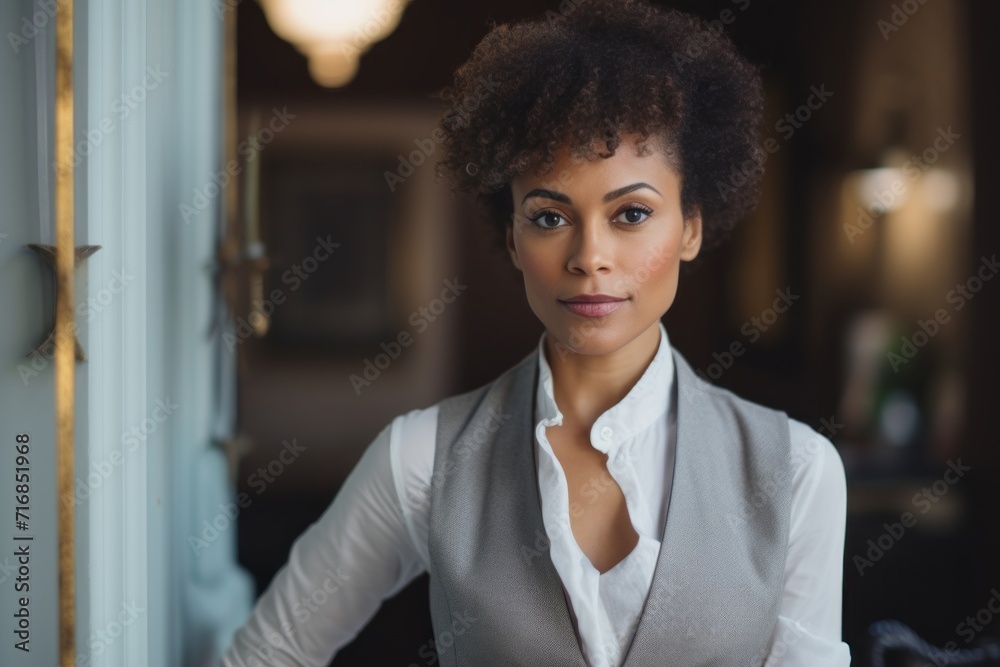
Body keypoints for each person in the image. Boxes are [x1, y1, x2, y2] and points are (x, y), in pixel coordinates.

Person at [221, 1, 851, 665]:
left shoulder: (797, 472)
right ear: (512, 237)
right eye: (550, 217)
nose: (590, 257)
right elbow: (268, 653)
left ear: (691, 226)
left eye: (631, 213)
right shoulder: (419, 459)